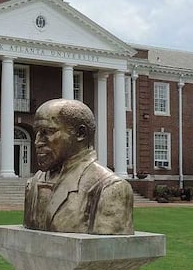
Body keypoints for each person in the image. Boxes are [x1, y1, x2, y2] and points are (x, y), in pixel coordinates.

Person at [24, 98, 134, 235]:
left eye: (48, 132)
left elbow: (107, 250)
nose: (37, 142)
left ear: (80, 134)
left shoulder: (109, 187)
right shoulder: (33, 183)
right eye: (37, 133)